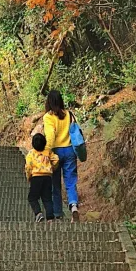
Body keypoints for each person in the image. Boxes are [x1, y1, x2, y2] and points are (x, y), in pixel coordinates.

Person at [43, 88, 79, 221]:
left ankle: (57, 213)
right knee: (70, 181)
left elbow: (51, 136)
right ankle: (74, 205)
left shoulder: (48, 117)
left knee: (55, 184)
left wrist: (46, 152)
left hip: (56, 153)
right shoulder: (69, 114)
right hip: (70, 151)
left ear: (49, 102)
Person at [24, 131, 58, 223]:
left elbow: (28, 167)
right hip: (47, 177)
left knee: (32, 198)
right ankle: (50, 217)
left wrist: (28, 177)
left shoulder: (31, 154)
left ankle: (38, 213)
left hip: (36, 177)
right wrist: (52, 167)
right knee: (47, 198)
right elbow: (56, 159)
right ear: (44, 143)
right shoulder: (48, 151)